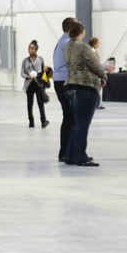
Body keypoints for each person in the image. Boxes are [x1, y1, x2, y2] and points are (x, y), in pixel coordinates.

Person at [61, 19, 103, 167]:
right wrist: (104, 76)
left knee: (77, 123)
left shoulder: (67, 47)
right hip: (84, 87)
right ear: (82, 32)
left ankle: (70, 156)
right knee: (83, 124)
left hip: (70, 86)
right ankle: (80, 156)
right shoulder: (84, 47)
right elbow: (95, 65)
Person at [51, 17, 75, 160]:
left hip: (62, 81)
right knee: (69, 116)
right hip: (64, 82)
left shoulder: (64, 41)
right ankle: (65, 152)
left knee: (70, 116)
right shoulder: (67, 43)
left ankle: (67, 151)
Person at [20, 40, 50, 128]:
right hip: (29, 84)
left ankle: (43, 121)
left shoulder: (40, 59)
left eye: (32, 48)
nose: (30, 50)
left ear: (36, 49)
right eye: (29, 48)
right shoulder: (25, 61)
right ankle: (31, 121)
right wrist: (28, 76)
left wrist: (46, 75)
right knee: (30, 103)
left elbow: (43, 72)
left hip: (38, 83)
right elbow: (22, 72)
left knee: (40, 102)